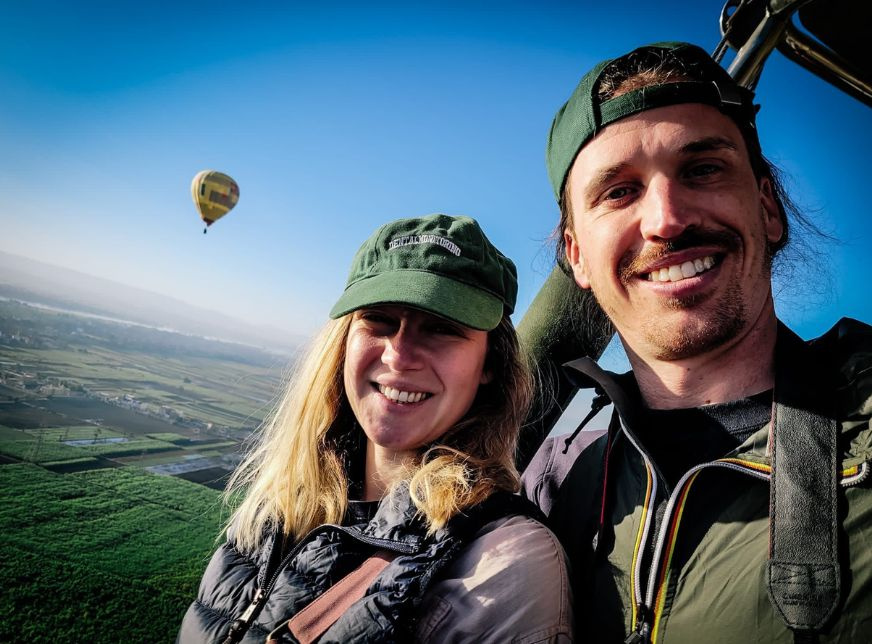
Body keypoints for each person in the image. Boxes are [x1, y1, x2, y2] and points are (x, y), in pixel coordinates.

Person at [521, 42, 872, 643]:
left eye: (702, 169)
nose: (666, 218)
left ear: (767, 208)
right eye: (618, 191)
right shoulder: (558, 476)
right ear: (577, 257)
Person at [179, 214, 574, 643]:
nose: (399, 355)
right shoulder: (279, 508)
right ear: (344, 341)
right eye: (379, 319)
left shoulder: (504, 562)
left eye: (443, 328)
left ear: (490, 366)